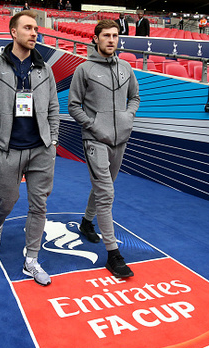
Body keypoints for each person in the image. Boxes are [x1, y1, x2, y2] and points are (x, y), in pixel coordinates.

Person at [0, 10, 59, 287]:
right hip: (7, 149)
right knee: (8, 200)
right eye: (28, 28)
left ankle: (32, 260)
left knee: (39, 205)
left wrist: (53, 143)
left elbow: (53, 108)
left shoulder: (44, 69)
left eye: (36, 29)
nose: (34, 33)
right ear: (13, 32)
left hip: (41, 148)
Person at [68, 19, 140, 278]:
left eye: (115, 36)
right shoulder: (84, 70)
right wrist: (93, 126)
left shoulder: (126, 67)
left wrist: (127, 117)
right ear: (96, 39)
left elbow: (135, 97)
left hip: (121, 138)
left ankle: (87, 222)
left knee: (103, 185)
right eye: (106, 35)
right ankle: (114, 254)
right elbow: (73, 106)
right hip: (95, 139)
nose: (111, 40)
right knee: (106, 193)